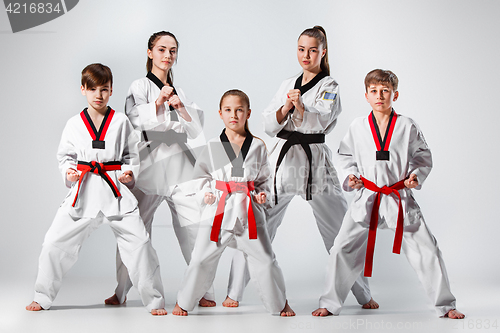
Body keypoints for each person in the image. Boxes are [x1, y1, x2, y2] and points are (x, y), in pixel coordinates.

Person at [224, 26, 376, 309]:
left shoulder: (330, 86)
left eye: (313, 50)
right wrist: (286, 108)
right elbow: (270, 123)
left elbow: (321, 120)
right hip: (281, 161)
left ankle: (363, 294)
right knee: (256, 222)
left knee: (340, 229)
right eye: (301, 49)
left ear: (323, 52)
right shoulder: (287, 83)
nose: (306, 55)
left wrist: (301, 110)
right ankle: (234, 292)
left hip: (315, 162)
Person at [312, 69, 464, 319]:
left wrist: (416, 175)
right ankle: (330, 302)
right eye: (374, 91)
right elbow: (345, 156)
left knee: (429, 250)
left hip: (398, 197)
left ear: (395, 94)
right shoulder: (358, 125)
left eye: (385, 91)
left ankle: (446, 305)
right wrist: (350, 176)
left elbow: (423, 156)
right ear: (366, 95)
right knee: (341, 248)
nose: (379, 96)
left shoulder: (407, 125)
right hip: (367, 197)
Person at [25, 64, 167, 315]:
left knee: (141, 244)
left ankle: (154, 299)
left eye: (104, 89)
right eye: (92, 89)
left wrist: (129, 172)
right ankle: (43, 295)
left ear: (111, 90)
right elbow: (65, 156)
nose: (98, 95)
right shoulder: (73, 124)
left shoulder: (121, 121)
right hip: (84, 191)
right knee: (53, 243)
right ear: (83, 90)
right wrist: (69, 172)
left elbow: (132, 154)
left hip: (115, 190)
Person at [105, 31, 215, 307]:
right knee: (135, 228)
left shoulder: (181, 92)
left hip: (179, 161)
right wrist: (158, 104)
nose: (168, 55)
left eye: (173, 51)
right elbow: (133, 119)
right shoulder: (139, 86)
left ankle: (202, 290)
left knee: (194, 226)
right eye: (162, 49)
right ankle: (122, 289)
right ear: (150, 52)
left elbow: (195, 129)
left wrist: (180, 107)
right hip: (148, 163)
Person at [172, 90, 295, 317]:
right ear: (220, 113)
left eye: (239, 110)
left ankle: (280, 303)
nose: (234, 115)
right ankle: (184, 302)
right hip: (218, 209)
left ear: (248, 113)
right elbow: (200, 176)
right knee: (199, 259)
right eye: (228, 110)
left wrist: (261, 195)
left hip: (249, 210)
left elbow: (265, 179)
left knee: (266, 260)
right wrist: (205, 193)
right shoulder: (212, 145)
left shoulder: (257, 146)